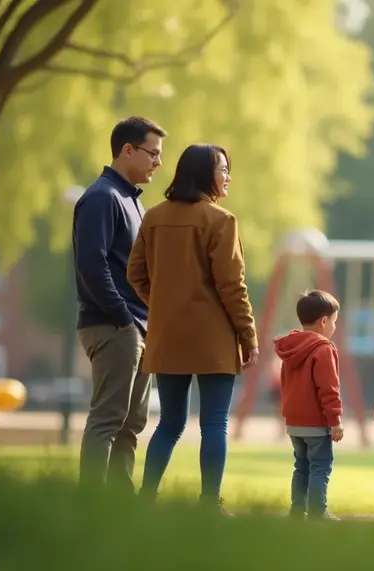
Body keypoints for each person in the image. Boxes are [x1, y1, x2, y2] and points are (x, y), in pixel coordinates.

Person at [127, 144, 259, 511]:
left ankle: (146, 498)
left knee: (169, 422)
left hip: (167, 335)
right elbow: (232, 286)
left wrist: (163, 303)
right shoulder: (221, 221)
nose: (228, 176)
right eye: (223, 169)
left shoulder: (153, 217)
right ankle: (209, 503)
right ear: (204, 174)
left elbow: (135, 274)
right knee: (214, 423)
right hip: (213, 338)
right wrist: (248, 335)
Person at [73, 116, 166, 493]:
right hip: (114, 326)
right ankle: (93, 502)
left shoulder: (130, 201)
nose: (158, 162)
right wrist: (123, 318)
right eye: (153, 153)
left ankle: (119, 502)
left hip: (136, 326)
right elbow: (91, 265)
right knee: (108, 419)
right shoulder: (101, 197)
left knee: (132, 423)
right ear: (127, 150)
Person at [273, 290, 345, 520]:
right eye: (334, 322)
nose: (334, 327)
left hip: (294, 421)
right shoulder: (324, 349)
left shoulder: (290, 347)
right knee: (320, 466)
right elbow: (329, 389)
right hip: (316, 422)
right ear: (324, 321)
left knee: (301, 466)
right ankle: (317, 511)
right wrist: (335, 421)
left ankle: (297, 509)